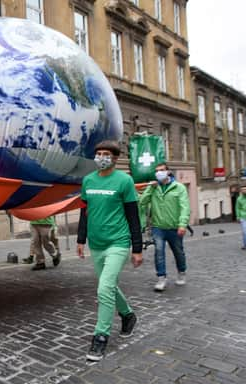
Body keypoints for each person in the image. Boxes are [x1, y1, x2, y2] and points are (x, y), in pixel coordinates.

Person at [77, 140, 142, 362]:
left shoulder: (124, 181)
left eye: (106, 154)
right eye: (98, 153)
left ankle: (100, 336)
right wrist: (80, 239)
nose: (101, 157)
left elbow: (134, 216)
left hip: (118, 242)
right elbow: (84, 212)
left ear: (114, 158)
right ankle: (128, 315)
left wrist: (137, 248)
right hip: (96, 244)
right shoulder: (88, 180)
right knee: (110, 286)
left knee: (104, 288)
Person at [138, 162, 191, 292]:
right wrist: (150, 188)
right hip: (158, 227)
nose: (158, 173)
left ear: (168, 172)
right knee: (159, 251)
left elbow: (185, 207)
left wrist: (182, 224)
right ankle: (161, 278)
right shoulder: (154, 188)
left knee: (178, 252)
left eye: (161, 170)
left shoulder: (179, 187)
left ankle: (181, 272)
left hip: (174, 227)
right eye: (156, 171)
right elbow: (142, 202)